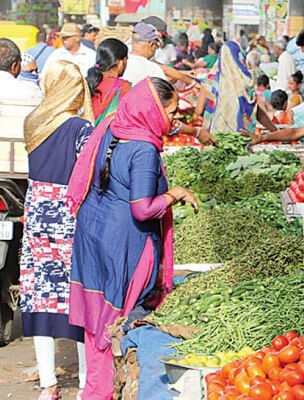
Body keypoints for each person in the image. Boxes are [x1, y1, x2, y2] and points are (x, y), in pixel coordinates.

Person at [66, 78, 198, 399]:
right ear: (152, 110)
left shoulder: (115, 124)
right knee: (115, 326)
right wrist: (174, 194)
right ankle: (103, 392)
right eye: (170, 111)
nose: (173, 118)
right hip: (123, 245)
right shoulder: (144, 150)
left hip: (93, 235)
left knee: (98, 325)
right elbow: (142, 209)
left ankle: (94, 390)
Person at [22, 60, 93, 400]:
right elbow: (89, 175)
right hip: (69, 215)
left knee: (42, 293)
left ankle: (48, 384)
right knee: (77, 294)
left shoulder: (33, 122)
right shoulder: (81, 129)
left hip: (38, 214)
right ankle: (84, 383)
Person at [198, 41, 277, 135]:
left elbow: (198, 111)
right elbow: (258, 112)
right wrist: (275, 131)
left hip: (214, 138)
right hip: (241, 137)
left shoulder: (210, 80)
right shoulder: (245, 81)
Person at [87, 38, 130, 125]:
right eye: (126, 59)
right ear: (119, 62)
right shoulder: (124, 88)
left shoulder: (88, 82)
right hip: (107, 136)